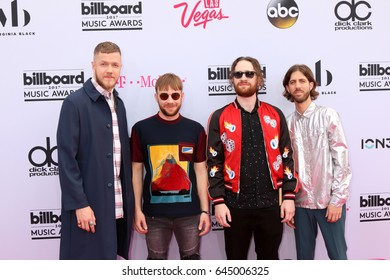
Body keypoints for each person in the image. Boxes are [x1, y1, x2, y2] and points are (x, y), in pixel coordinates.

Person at [207, 56, 298, 260]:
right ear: (232, 79)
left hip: (270, 204)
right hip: (234, 205)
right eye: (238, 74)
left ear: (259, 79)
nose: (244, 78)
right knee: (236, 262)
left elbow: (286, 157)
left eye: (249, 73)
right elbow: (214, 162)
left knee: (269, 260)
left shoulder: (275, 114)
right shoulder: (219, 116)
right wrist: (219, 202)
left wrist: (289, 197)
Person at [57, 41, 134, 259]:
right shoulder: (74, 103)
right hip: (89, 206)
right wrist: (80, 204)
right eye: (104, 64)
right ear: (93, 65)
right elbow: (66, 159)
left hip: (117, 206)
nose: (110, 70)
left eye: (115, 65)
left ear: (120, 68)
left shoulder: (119, 103)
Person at [131, 73, 211, 260]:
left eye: (175, 95)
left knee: (191, 262)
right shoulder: (141, 129)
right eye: (164, 95)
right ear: (156, 96)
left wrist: (205, 211)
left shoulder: (195, 129)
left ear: (182, 96)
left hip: (190, 215)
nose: (170, 101)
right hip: (153, 216)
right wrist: (137, 210)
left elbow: (200, 172)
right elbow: (136, 172)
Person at [282, 64, 352, 260]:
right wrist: (288, 201)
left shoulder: (328, 115)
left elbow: (342, 160)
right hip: (300, 204)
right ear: (287, 88)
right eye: (293, 82)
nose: (298, 86)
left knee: (338, 256)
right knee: (304, 258)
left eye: (302, 81)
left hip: (328, 202)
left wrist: (337, 200)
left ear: (311, 84)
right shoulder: (287, 123)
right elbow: (285, 166)